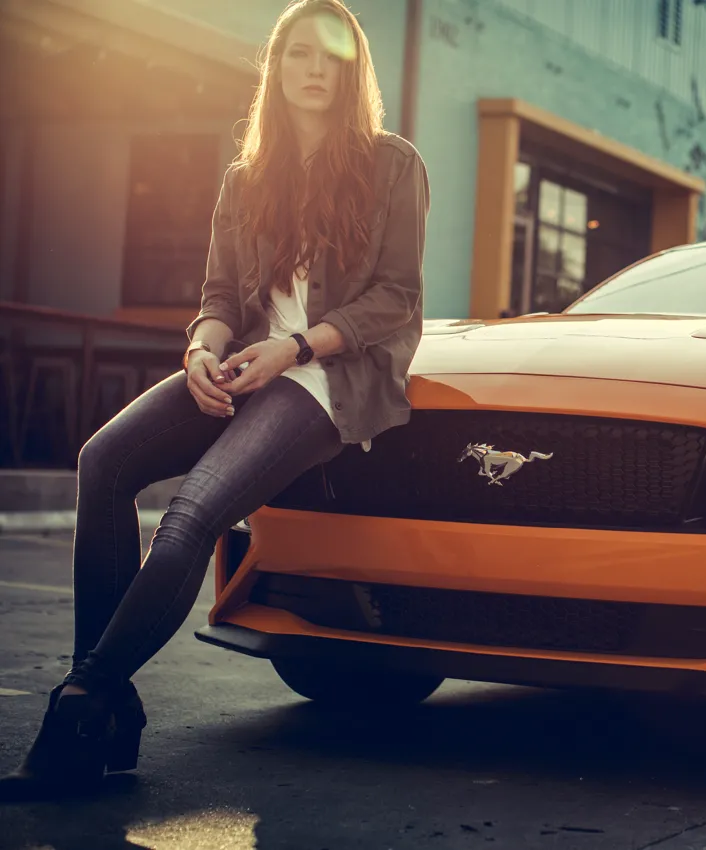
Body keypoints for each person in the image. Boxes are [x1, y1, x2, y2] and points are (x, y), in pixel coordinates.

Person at [1, 0, 429, 801]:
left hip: (328, 379)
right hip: (246, 362)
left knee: (193, 514)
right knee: (105, 461)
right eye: (297, 52)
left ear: (351, 71)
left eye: (329, 57)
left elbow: (397, 299)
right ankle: (109, 703)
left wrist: (297, 347)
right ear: (275, 66)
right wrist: (202, 347)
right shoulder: (246, 177)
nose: (312, 68)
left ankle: (80, 706)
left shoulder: (391, 164)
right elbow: (220, 296)